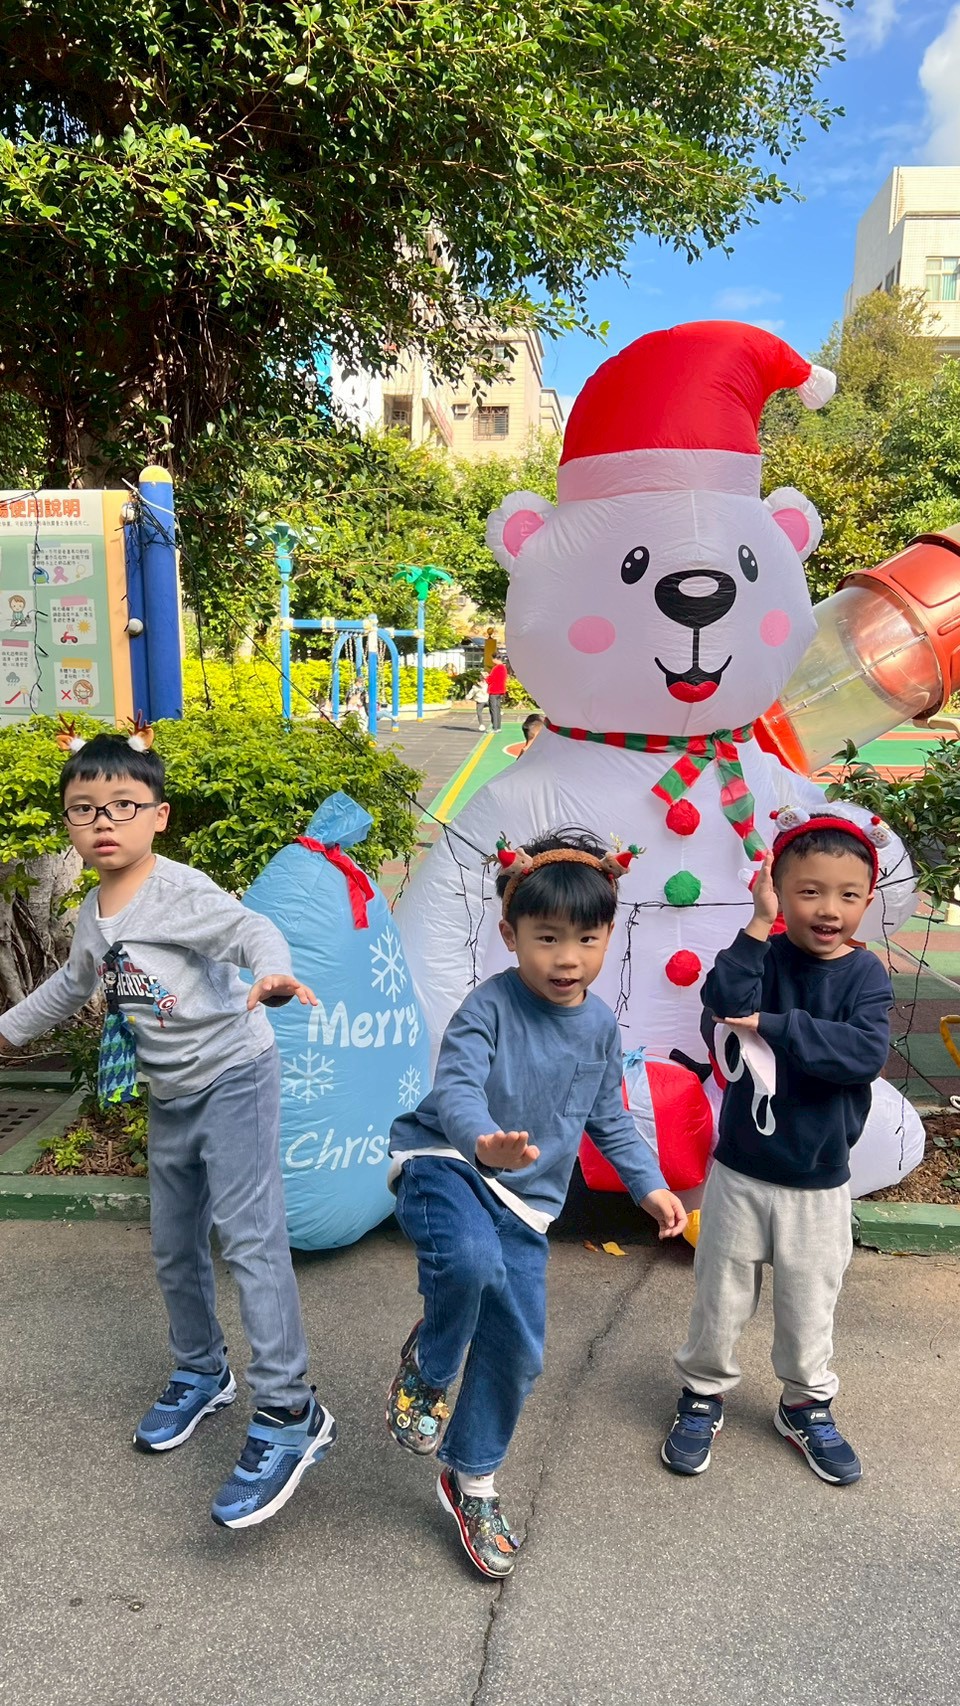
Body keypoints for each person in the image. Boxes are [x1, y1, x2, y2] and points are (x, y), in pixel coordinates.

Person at [0, 731, 336, 1529]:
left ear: (159, 815)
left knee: (250, 1240)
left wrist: (273, 970)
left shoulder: (180, 892)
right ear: (69, 823)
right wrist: (6, 1033)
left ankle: (291, 1410)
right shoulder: (93, 914)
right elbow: (70, 986)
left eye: (123, 805)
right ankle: (202, 1371)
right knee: (173, 1242)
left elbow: (250, 930)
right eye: (84, 809)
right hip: (172, 1092)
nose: (103, 822)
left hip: (235, 1075)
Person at [385, 829, 687, 1578]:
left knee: (519, 1351)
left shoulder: (599, 1025)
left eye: (587, 939)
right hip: (448, 1163)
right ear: (510, 934)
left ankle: (471, 1480)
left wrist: (649, 1185)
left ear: (609, 936)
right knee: (470, 1261)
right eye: (546, 937)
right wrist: (483, 1142)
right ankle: (431, 1366)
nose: (566, 958)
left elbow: (608, 1116)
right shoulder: (487, 1007)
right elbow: (457, 1086)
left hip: (526, 1202)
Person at [661, 814, 894, 1487]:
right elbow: (721, 1000)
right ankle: (702, 1392)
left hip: (818, 1181)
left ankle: (804, 1404)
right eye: (808, 892)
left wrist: (772, 1024)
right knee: (719, 1295)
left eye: (848, 895)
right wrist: (758, 925)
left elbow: (862, 1054)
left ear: (868, 900)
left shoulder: (866, 975)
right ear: (778, 891)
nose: (829, 909)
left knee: (809, 1303)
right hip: (740, 1170)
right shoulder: (762, 954)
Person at [485, 654, 508, 731]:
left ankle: (494, 727)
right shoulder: (504, 668)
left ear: (496, 659)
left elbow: (490, 679)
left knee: (493, 709)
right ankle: (498, 727)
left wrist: (486, 677)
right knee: (497, 708)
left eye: (493, 658)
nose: (492, 660)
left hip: (494, 690)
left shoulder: (496, 668)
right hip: (500, 690)